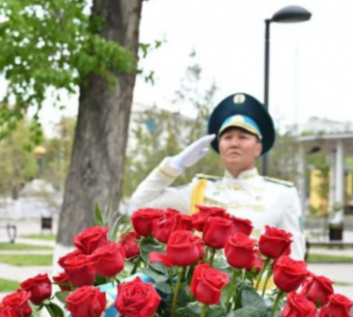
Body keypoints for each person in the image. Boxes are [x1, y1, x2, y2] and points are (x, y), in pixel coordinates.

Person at [130, 92, 306, 260]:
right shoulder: (199, 189)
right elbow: (139, 205)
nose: (234, 144)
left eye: (243, 137)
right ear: (219, 146)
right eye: (227, 137)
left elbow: (295, 258)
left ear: (258, 148)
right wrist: (173, 166)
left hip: (260, 290)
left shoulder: (283, 194)